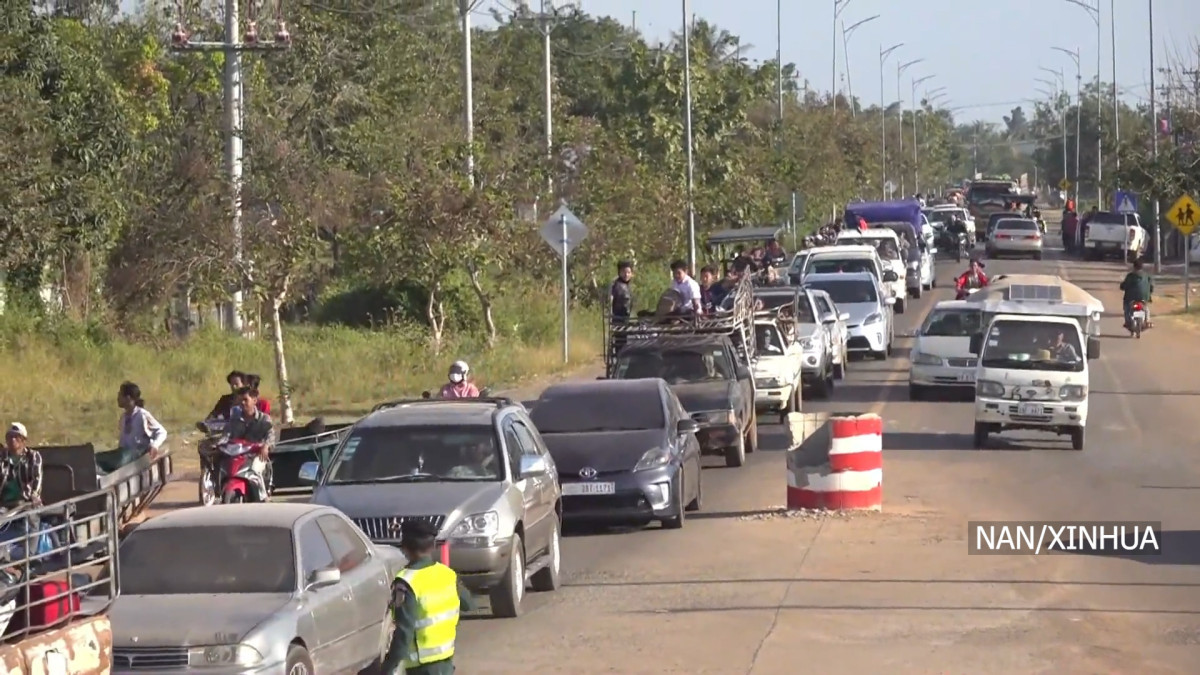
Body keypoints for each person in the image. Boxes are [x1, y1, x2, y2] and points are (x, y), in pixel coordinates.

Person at [381, 519, 476, 675]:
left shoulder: (406, 582)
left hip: (421, 667)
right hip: (445, 663)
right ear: (432, 546)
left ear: (404, 548)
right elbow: (469, 604)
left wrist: (387, 667)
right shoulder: (447, 575)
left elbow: (404, 633)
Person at [225, 386, 275, 497]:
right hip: (238, 455)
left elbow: (270, 436)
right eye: (240, 400)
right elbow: (226, 435)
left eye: (245, 400)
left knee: (255, 470)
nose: (242, 403)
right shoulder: (234, 420)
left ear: (254, 401)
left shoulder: (264, 419)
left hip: (257, 455)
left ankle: (263, 498)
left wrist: (266, 446)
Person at [116, 382, 168, 465]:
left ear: (128, 398)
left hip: (138, 459)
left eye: (120, 395)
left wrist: (154, 445)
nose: (118, 398)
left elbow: (162, 432)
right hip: (127, 460)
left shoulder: (142, 415)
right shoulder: (123, 418)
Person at [0, 423, 43, 508]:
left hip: (26, 502)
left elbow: (37, 478)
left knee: (30, 519)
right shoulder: (2, 457)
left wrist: (34, 495)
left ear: (23, 440)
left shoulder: (32, 456)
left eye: (16, 437)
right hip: (4, 504)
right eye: (9, 436)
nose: (12, 439)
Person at [1119, 260, 1154, 329]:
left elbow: (1124, 285)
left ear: (1134, 267)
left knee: (1126, 308)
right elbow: (1151, 287)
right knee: (1146, 308)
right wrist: (1149, 292)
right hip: (1144, 297)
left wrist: (1122, 287)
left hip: (1130, 297)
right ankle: (1147, 321)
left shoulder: (1130, 276)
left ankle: (1127, 322)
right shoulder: (1147, 276)